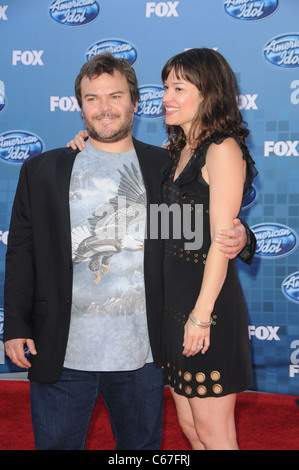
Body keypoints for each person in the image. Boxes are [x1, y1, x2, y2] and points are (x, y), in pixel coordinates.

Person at [4, 53, 255, 451]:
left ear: (135, 103)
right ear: (81, 107)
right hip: (63, 350)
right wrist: (15, 325)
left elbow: (197, 228)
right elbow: (21, 250)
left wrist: (242, 236)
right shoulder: (45, 170)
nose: (104, 108)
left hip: (144, 351)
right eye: (92, 99)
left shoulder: (163, 166)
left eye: (115, 96)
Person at [160, 48, 258, 450]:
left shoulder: (222, 149)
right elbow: (175, 230)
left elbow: (221, 241)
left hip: (207, 309)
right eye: (166, 86)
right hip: (174, 307)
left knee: (215, 435)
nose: (166, 96)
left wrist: (200, 317)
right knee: (192, 428)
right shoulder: (177, 151)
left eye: (178, 88)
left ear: (209, 94)